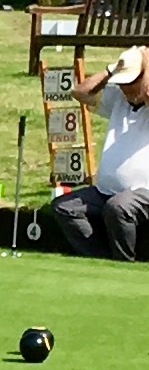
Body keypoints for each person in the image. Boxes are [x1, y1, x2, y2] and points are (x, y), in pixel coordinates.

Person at [46, 46, 149, 260]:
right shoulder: (118, 99)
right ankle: (99, 261)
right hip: (105, 191)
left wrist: (146, 69)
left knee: (118, 207)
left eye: (130, 82)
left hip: (144, 193)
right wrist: (113, 69)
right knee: (65, 207)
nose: (125, 88)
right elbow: (79, 92)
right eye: (121, 83)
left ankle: (123, 262)